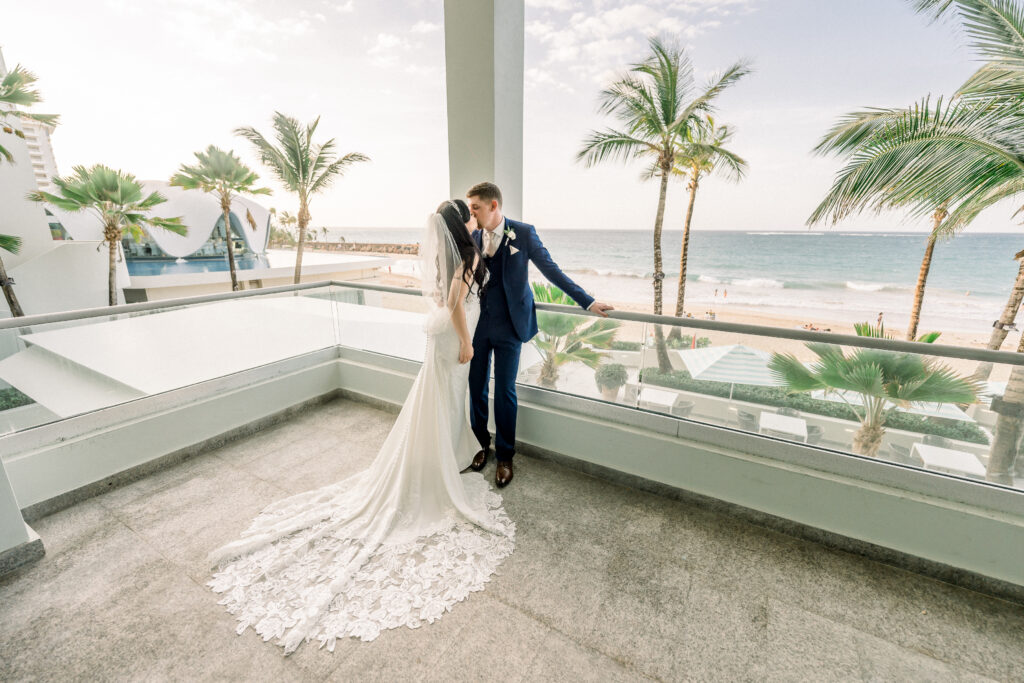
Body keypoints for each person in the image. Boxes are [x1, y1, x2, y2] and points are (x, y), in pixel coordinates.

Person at [206, 200, 515, 653]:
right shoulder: (467, 255)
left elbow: (442, 298)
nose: (473, 216)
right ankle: (436, 470)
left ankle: (435, 460)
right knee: (444, 402)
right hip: (455, 341)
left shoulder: (451, 254)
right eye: (466, 212)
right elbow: (454, 302)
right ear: (459, 224)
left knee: (438, 404)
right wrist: (467, 340)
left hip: (441, 340)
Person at [466, 181, 613, 488]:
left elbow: (551, 270)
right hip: (479, 324)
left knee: (505, 391)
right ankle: (480, 445)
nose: (471, 213)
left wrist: (586, 301)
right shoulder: (474, 235)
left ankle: (505, 457)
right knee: (476, 386)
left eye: (475, 207)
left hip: (511, 326)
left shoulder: (524, 232)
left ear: (494, 206)